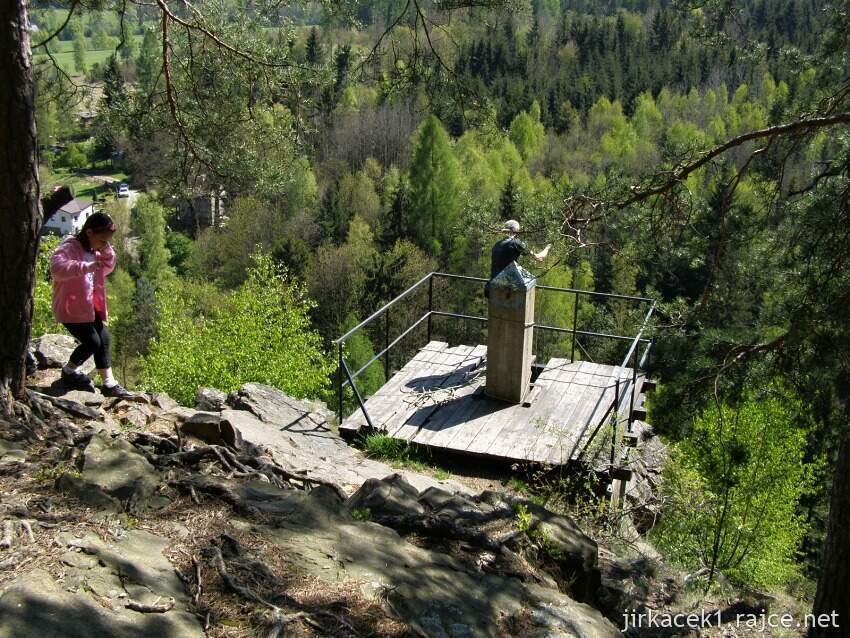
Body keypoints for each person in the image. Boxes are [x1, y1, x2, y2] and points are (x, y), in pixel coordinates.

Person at [50, 212, 134, 399]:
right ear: (89, 232)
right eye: (103, 240)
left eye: (107, 242)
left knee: (104, 339)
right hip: (70, 308)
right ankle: (69, 371)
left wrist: (106, 249)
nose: (104, 245)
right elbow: (57, 269)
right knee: (92, 342)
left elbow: (107, 267)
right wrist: (85, 267)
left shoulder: (94, 249)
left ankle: (109, 383)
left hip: (88, 306)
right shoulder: (69, 247)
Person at [485, 219, 551, 296]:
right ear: (516, 231)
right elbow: (538, 257)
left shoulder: (496, 245)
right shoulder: (516, 243)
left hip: (492, 287)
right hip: (506, 289)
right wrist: (548, 248)